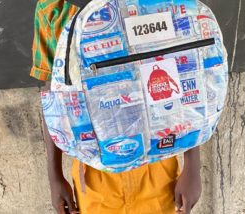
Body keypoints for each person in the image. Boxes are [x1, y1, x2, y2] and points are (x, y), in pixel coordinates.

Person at [30, 0, 202, 213]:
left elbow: (180, 71)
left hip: (157, 160)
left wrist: (193, 164)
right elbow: (53, 96)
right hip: (94, 172)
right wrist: (54, 175)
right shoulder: (55, 8)